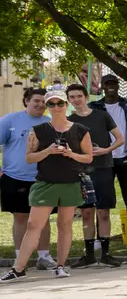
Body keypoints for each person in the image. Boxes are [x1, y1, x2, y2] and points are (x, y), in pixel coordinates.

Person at [2, 88, 92, 281]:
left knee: (65, 225)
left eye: (60, 103)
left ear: (66, 105)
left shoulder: (80, 130)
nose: (56, 107)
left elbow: (88, 157)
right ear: (48, 107)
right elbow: (29, 157)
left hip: (70, 183)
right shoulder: (38, 130)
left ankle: (60, 265)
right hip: (45, 183)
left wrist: (70, 154)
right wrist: (49, 151)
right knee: (34, 224)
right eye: (51, 104)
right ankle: (18, 268)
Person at [89, 75, 127, 250]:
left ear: (118, 86)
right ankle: (100, 239)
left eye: (114, 84)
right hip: (102, 161)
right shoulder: (94, 107)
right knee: (101, 201)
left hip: (125, 158)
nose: (111, 87)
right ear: (102, 86)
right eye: (107, 84)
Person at [66, 83, 124, 267]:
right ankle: (89, 255)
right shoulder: (69, 121)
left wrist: (106, 150)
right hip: (82, 171)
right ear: (69, 100)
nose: (76, 100)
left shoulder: (102, 116)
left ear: (86, 97)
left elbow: (120, 139)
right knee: (87, 212)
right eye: (72, 97)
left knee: (103, 211)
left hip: (103, 168)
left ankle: (106, 254)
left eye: (79, 96)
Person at [1, 88, 58, 271]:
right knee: (20, 217)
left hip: (43, 178)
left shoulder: (51, 123)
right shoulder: (10, 120)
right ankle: (20, 258)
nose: (40, 105)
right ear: (26, 101)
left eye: (44, 102)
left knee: (43, 219)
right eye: (36, 101)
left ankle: (44, 256)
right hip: (14, 177)